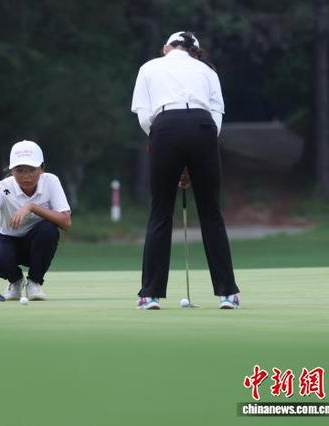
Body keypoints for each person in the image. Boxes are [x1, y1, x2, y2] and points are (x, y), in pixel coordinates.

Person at [130, 31, 240, 310]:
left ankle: (150, 295)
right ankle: (228, 294)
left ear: (166, 48)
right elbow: (216, 117)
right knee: (211, 213)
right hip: (203, 128)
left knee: (160, 212)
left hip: (165, 126)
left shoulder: (149, 67)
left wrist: (166, 148)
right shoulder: (206, 70)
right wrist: (194, 158)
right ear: (194, 52)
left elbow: (144, 116)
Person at [0, 140, 72, 301]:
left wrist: (31, 207)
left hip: (34, 245)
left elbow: (66, 222)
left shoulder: (51, 181)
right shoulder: (2, 187)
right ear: (11, 171)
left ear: (42, 168)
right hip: (4, 240)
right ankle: (16, 281)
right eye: (20, 170)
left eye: (32, 170)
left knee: (48, 230)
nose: (26, 176)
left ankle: (34, 283)